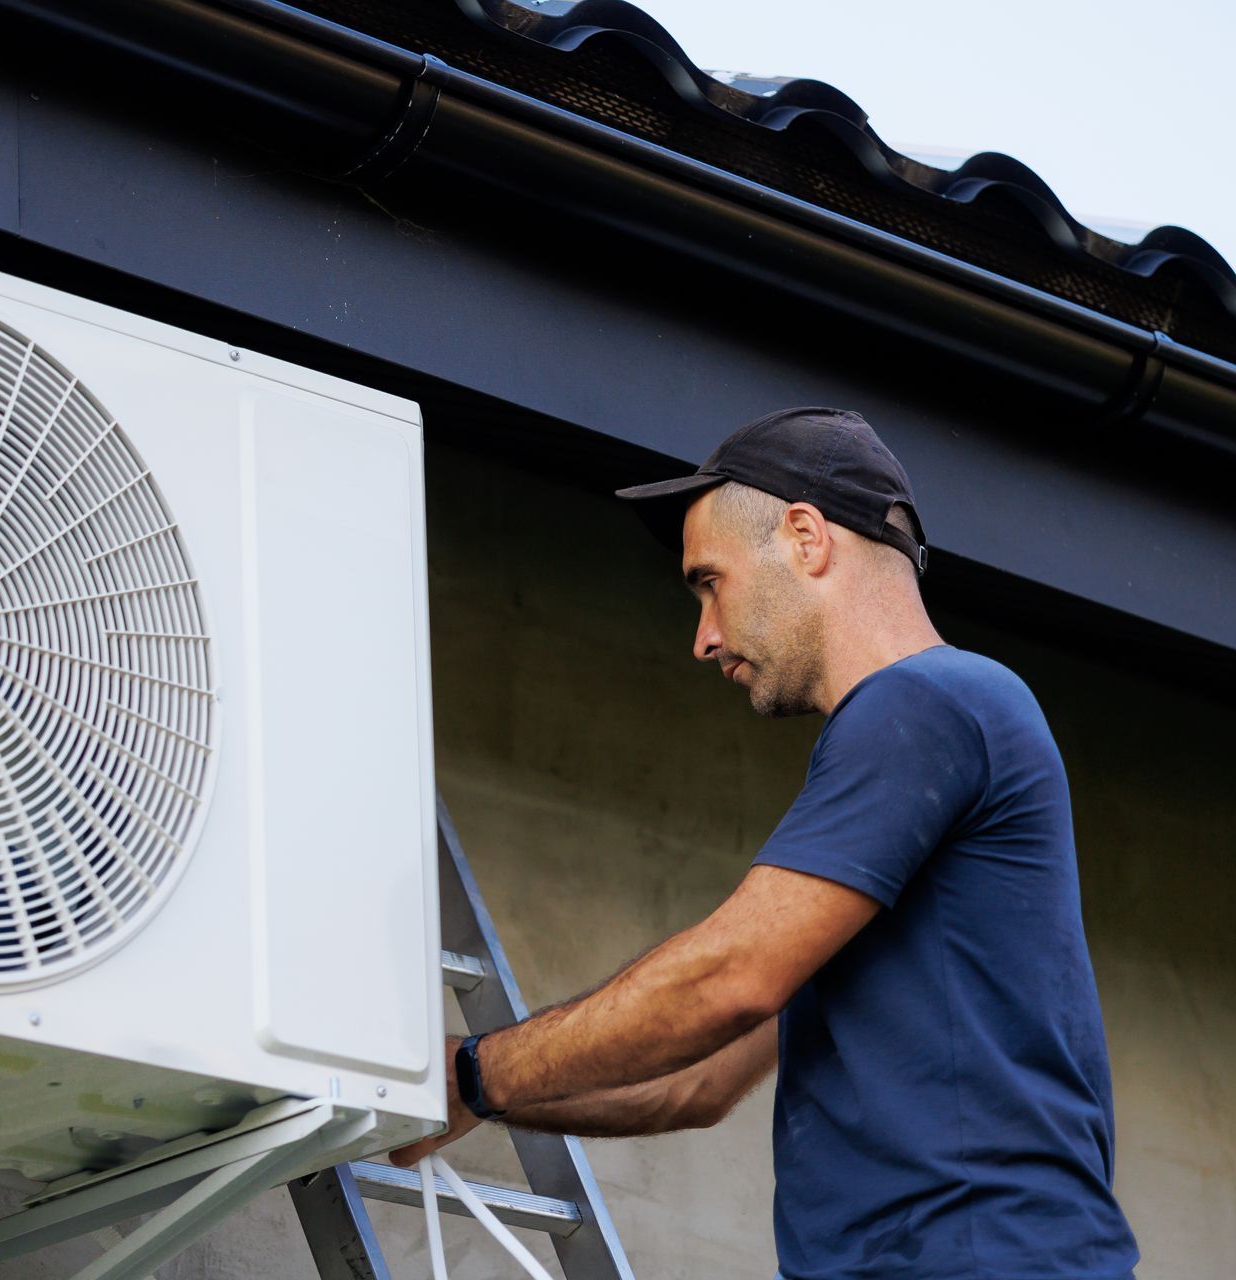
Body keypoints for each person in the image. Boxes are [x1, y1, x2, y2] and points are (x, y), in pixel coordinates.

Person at [389, 408, 1139, 1278]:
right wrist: (481, 1096)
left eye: (710, 583)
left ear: (807, 537)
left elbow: (730, 977)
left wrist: (484, 1070)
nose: (703, 637)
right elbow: (692, 1082)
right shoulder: (919, 755)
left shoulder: (929, 702)